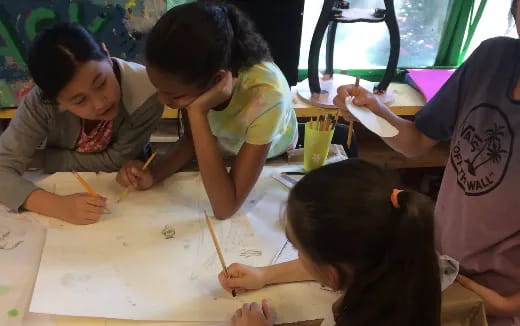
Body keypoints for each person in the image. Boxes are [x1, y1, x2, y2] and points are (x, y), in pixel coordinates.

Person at [333, 2, 520, 324]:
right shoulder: (493, 58)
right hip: (438, 263)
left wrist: (510, 305)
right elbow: (416, 142)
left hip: (497, 297)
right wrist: (375, 113)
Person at [116, 1, 298, 219]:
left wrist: (197, 113)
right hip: (226, 142)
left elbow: (225, 208)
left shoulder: (267, 96)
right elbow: (193, 140)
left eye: (175, 96)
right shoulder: (194, 75)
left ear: (217, 80)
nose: (163, 101)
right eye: (159, 90)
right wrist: (153, 174)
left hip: (271, 155)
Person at [218, 159, 441, 326]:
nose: (298, 256)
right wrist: (264, 274)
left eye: (298, 249)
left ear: (332, 274)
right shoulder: (404, 261)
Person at [0, 22, 162, 225]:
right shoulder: (41, 102)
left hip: (126, 187)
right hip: (62, 185)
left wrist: (42, 159)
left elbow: (115, 161)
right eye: (79, 100)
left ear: (106, 53)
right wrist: (56, 206)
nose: (100, 103)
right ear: (56, 101)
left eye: (101, 83)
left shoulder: (147, 91)